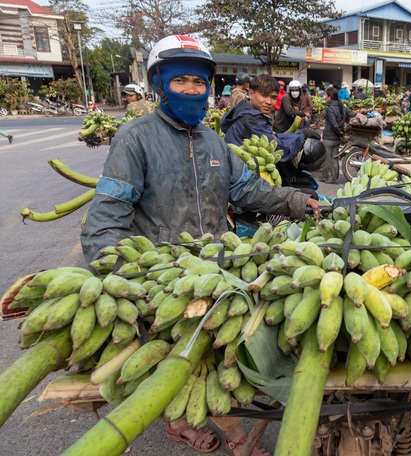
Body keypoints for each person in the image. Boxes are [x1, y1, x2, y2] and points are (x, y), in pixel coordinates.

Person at [80, 35, 319, 456]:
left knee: (217, 350)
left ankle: (222, 417)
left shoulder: (212, 142)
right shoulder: (135, 139)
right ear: (160, 84)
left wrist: (302, 202)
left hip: (213, 268)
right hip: (159, 277)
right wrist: (120, 279)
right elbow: (107, 215)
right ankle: (188, 425)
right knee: (172, 358)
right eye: (180, 81)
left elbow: (248, 189)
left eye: (199, 81)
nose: (192, 89)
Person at [321, 86, 352, 183]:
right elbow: (350, 113)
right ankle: (334, 178)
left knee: (327, 158)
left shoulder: (330, 108)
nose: (324, 97)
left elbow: (334, 125)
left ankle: (329, 178)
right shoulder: (340, 105)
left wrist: (340, 132)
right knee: (335, 158)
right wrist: (345, 128)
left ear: (330, 97)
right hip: (337, 138)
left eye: (325, 95)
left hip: (329, 137)